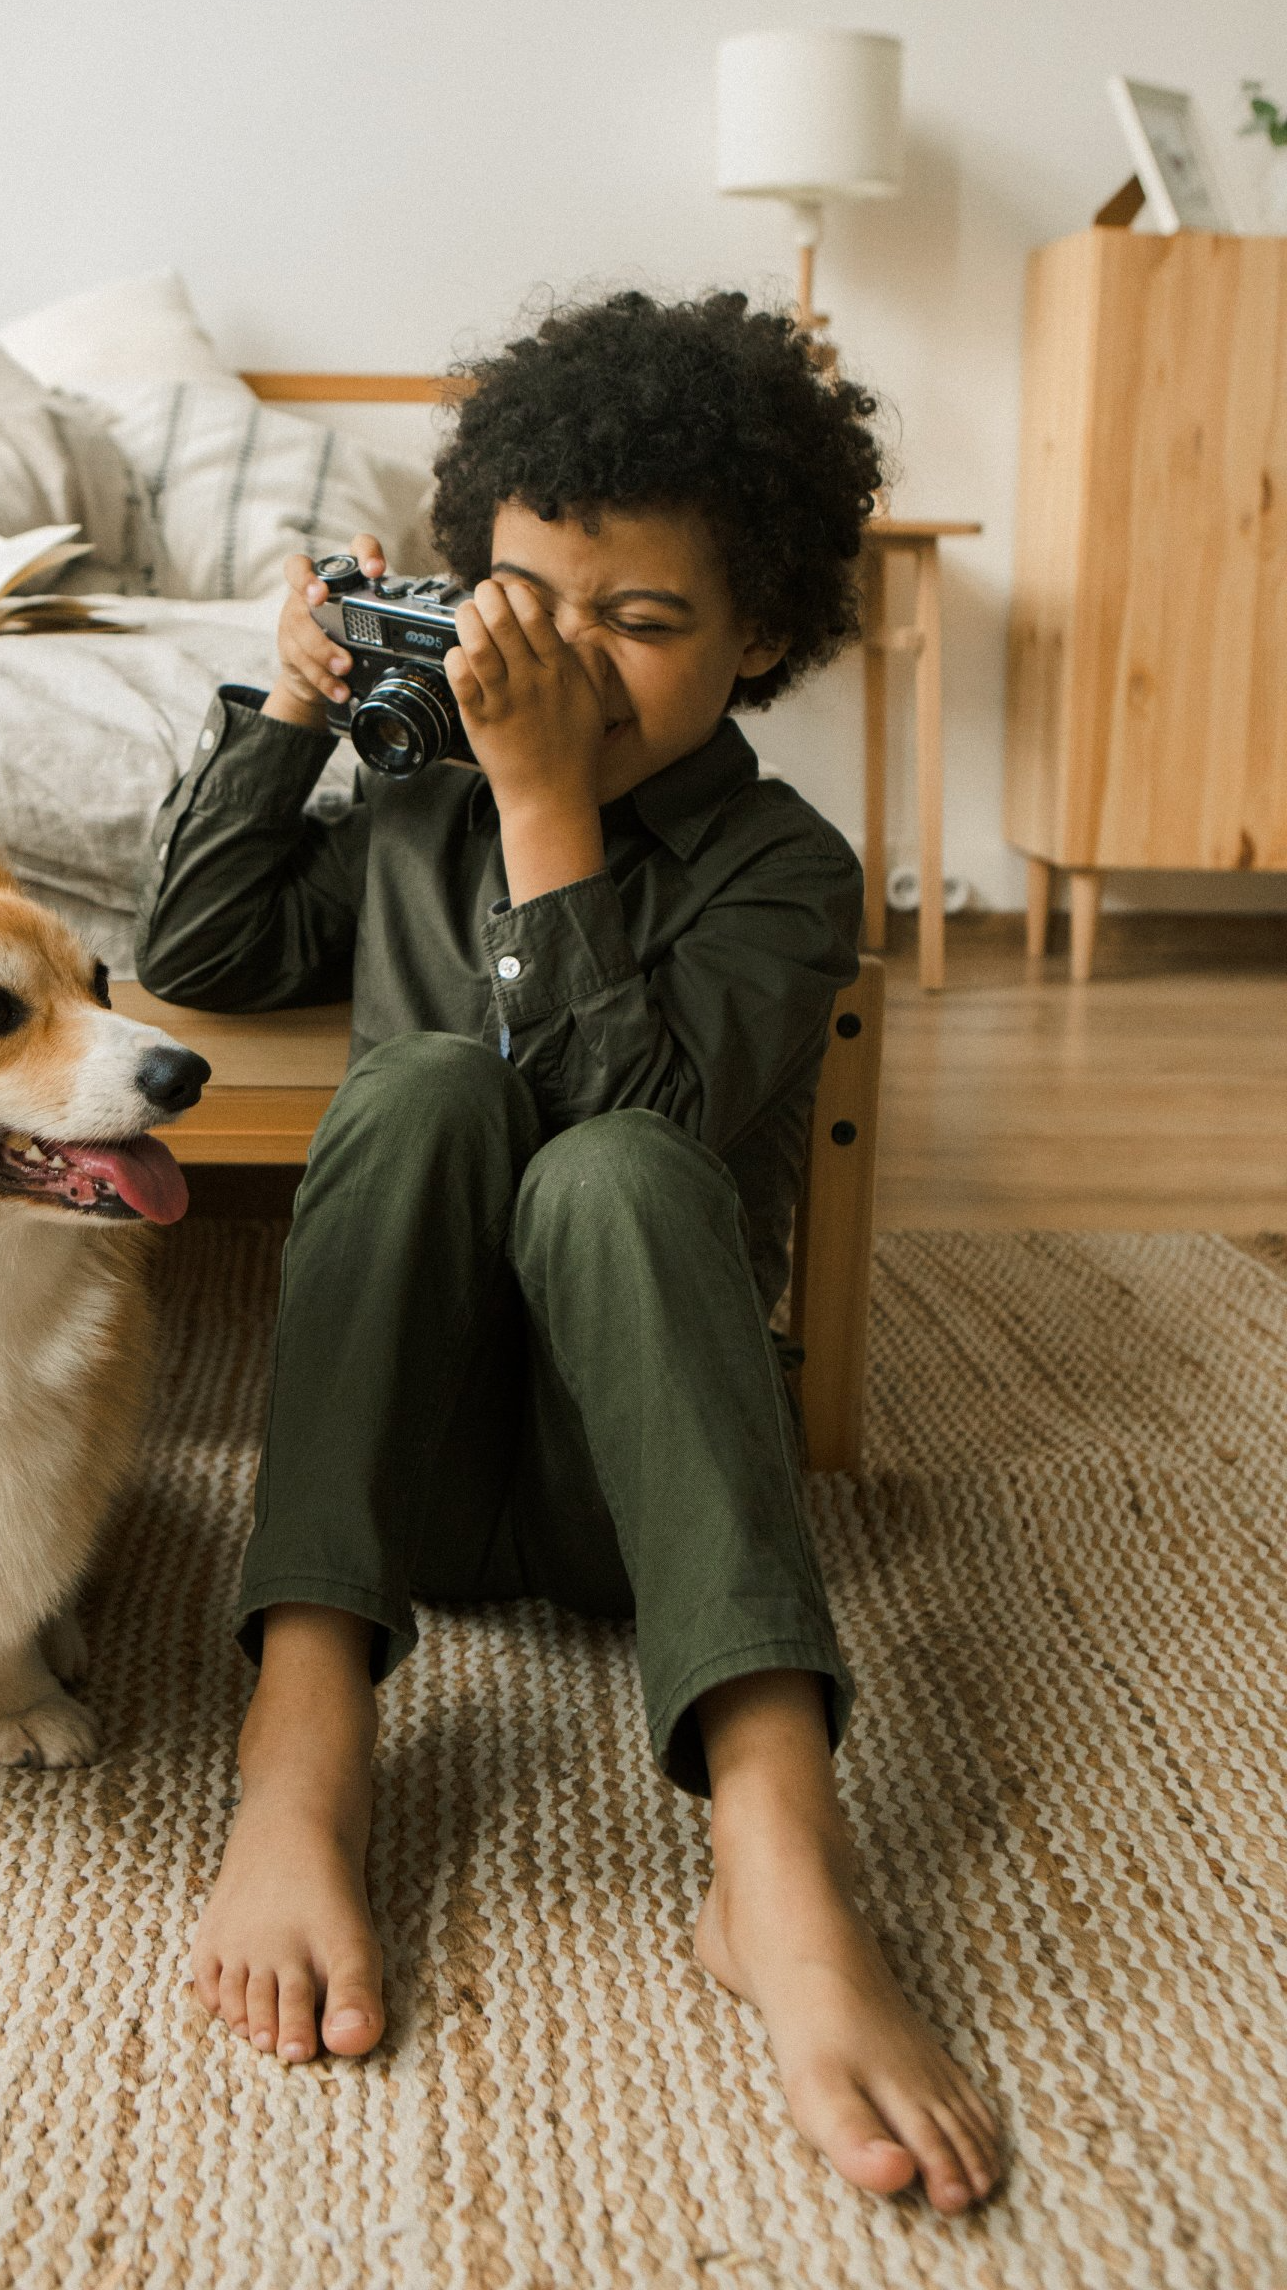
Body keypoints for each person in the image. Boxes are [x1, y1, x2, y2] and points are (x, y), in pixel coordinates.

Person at [132, 290, 1001, 2212]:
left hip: (642, 1498)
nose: (575, 664)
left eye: (644, 619)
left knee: (606, 1169)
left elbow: (642, 1108)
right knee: (428, 1087)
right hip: (404, 1479)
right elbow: (191, 956)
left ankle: (776, 1860)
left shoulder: (788, 870)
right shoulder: (417, 806)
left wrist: (541, 806)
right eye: (529, 603)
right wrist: (291, 709)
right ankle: (301, 1753)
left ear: (761, 634)